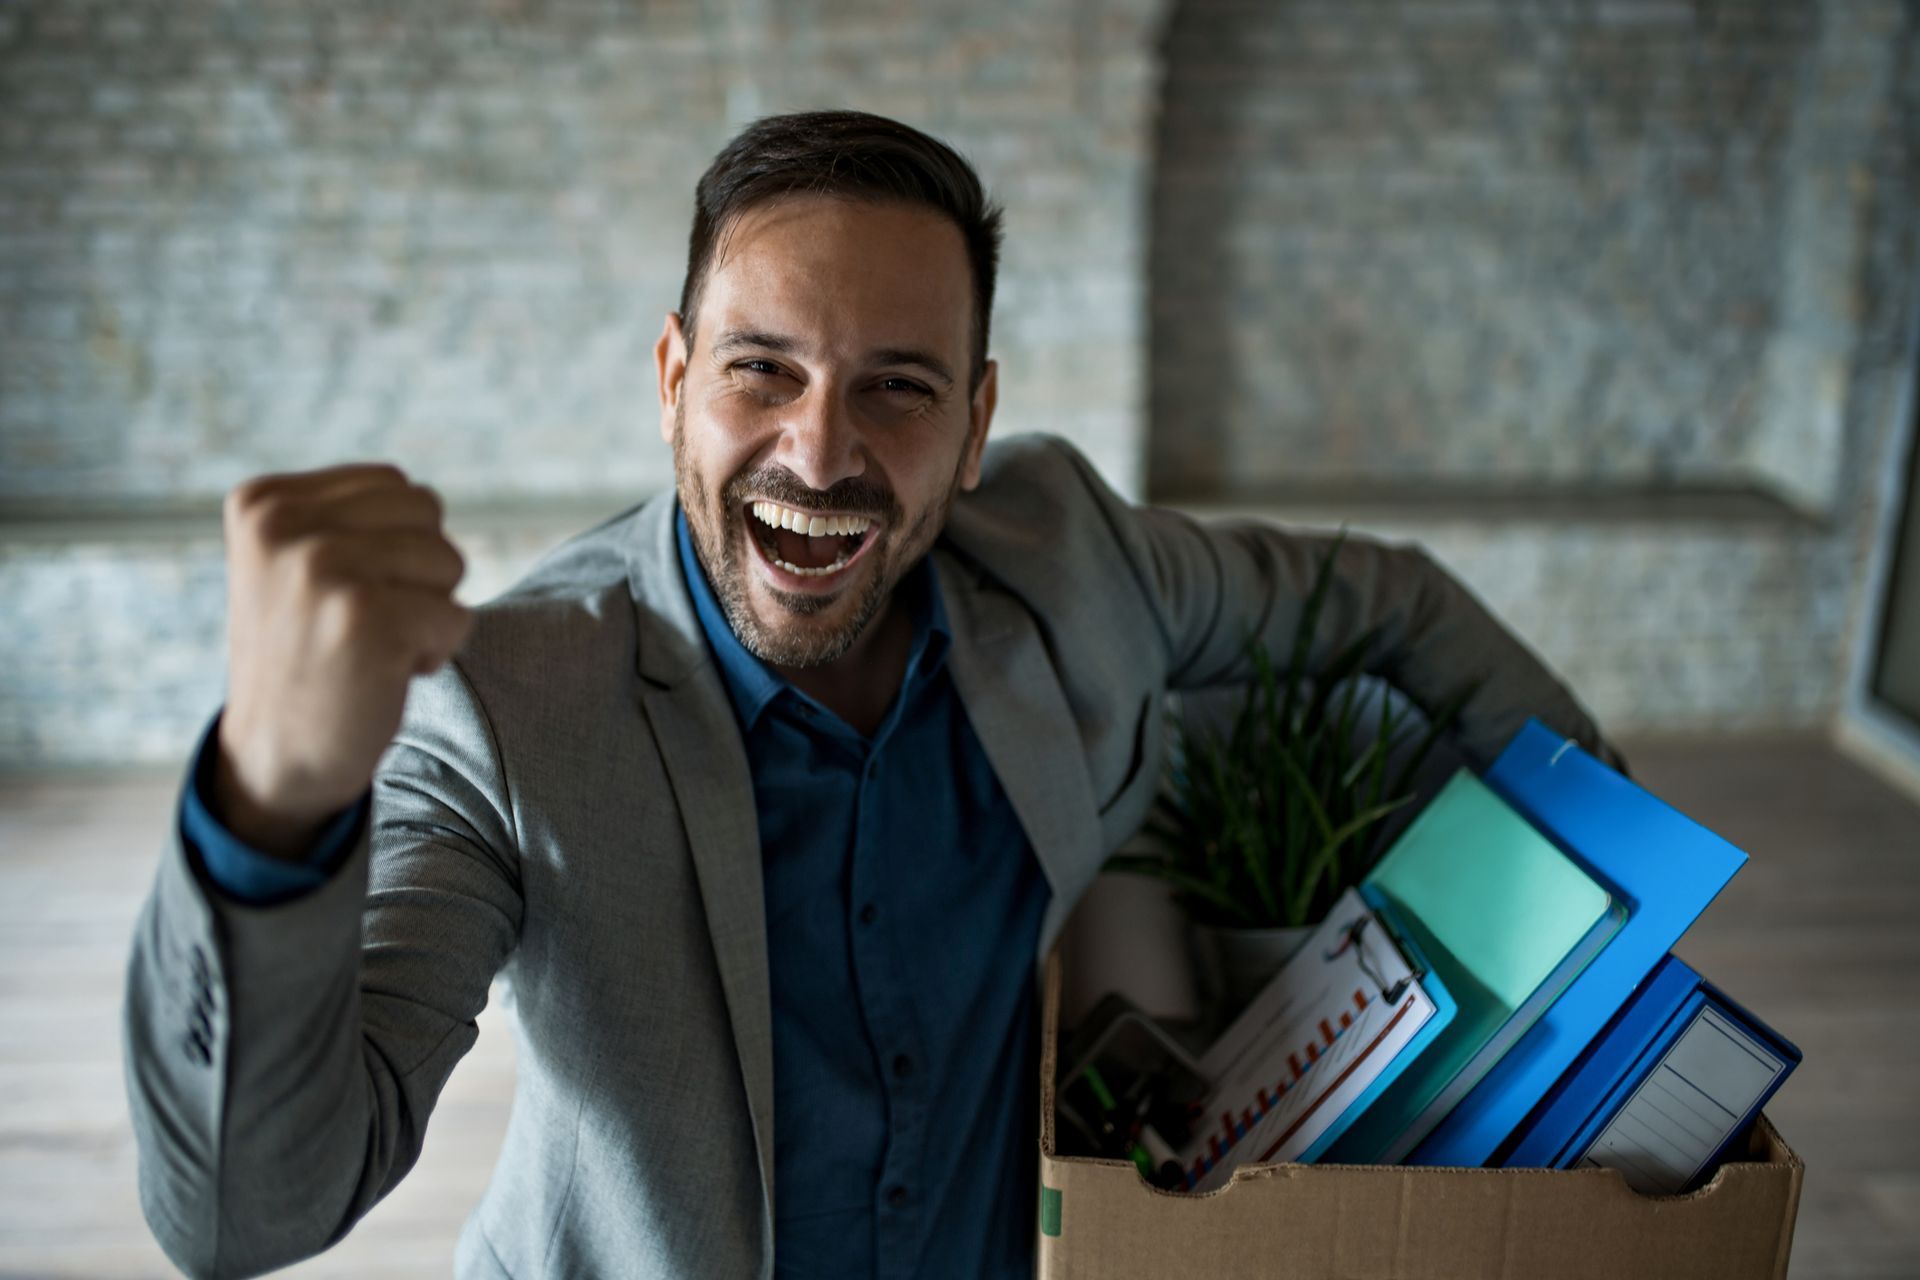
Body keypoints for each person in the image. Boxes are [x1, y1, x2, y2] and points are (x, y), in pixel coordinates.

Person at [122, 110, 1622, 1280]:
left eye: (898, 386)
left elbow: (1394, 607)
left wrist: (1615, 870)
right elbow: (243, 1217)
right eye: (760, 370)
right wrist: (271, 796)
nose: (822, 452)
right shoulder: (507, 707)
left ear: (975, 423)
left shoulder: (1076, 565)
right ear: (671, 380)